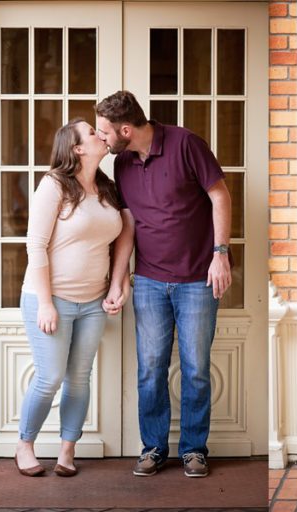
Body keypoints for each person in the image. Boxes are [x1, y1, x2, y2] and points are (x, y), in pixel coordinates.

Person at [95, 90, 232, 478]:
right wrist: (119, 279)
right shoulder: (121, 163)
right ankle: (153, 447)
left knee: (195, 369)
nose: (102, 138)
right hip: (151, 281)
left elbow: (219, 195)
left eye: (105, 132)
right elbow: (128, 225)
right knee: (150, 368)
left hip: (197, 280)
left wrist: (220, 253)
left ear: (125, 129)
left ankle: (193, 450)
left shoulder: (186, 143)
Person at [14, 119, 131, 478]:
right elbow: (35, 245)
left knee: (79, 377)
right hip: (52, 299)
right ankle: (25, 445)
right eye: (93, 133)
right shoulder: (53, 185)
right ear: (77, 148)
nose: (102, 135)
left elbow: (125, 234)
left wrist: (118, 283)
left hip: (94, 301)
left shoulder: (108, 188)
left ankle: (67, 451)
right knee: (50, 377)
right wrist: (46, 303)